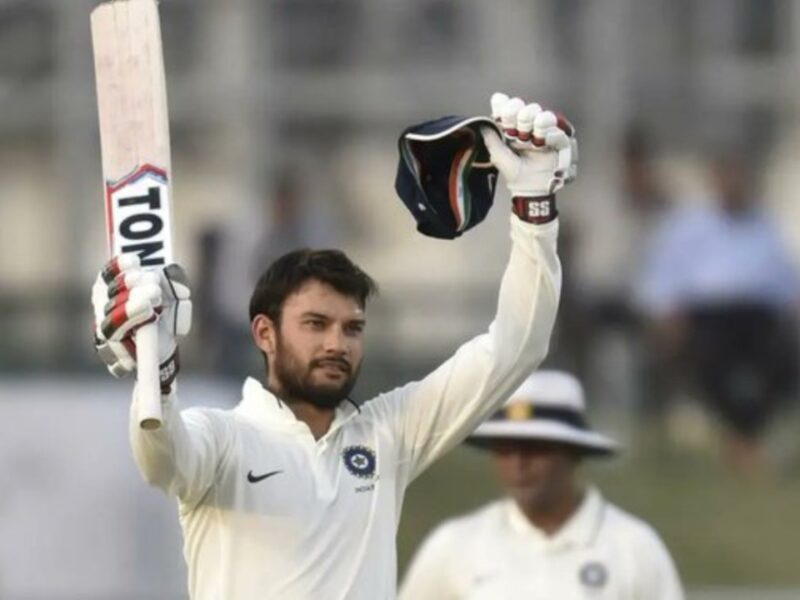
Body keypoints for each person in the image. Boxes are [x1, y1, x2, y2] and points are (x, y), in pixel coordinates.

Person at [89, 93, 575, 600]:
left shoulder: (389, 435)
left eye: (352, 328)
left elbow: (518, 347)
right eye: (316, 324)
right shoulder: (225, 438)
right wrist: (158, 373)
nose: (336, 343)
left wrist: (534, 212)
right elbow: (160, 459)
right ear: (264, 334)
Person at [399, 370, 685, 600]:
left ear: (573, 453)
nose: (518, 464)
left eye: (535, 448)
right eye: (505, 449)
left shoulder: (633, 548)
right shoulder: (455, 546)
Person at [635, 152, 800, 474]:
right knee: (709, 362)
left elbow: (786, 281)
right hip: (708, 316)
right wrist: (668, 315)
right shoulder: (690, 226)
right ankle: (744, 438)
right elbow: (663, 277)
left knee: (784, 361)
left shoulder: (764, 226)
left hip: (758, 316)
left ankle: (746, 435)